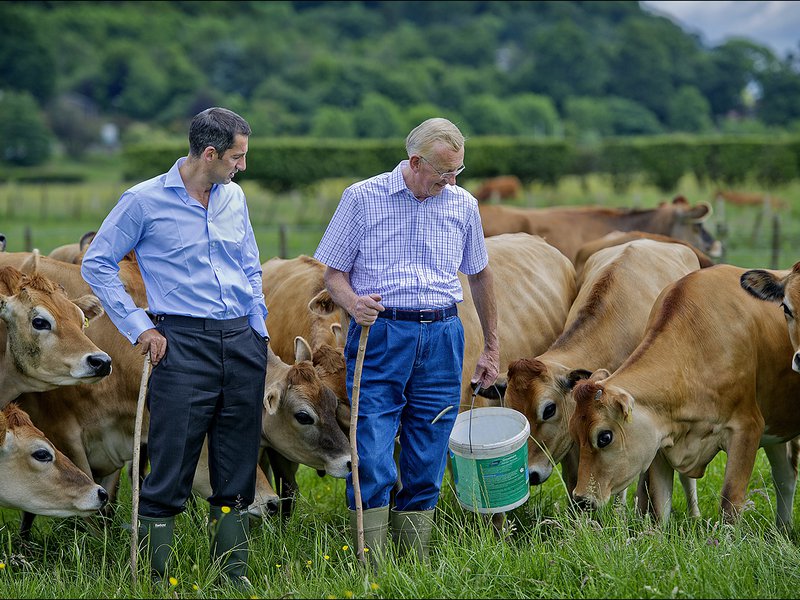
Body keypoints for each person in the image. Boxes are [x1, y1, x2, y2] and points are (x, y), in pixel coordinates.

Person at [81, 107, 269, 588]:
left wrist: (258, 327)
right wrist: (140, 327)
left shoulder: (235, 198)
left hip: (242, 343)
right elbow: (97, 263)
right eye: (237, 156)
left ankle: (232, 576)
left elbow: (249, 264)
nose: (242, 166)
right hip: (180, 344)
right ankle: (154, 578)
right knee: (171, 460)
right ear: (210, 154)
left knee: (237, 462)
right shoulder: (143, 201)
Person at [314, 117, 499, 565]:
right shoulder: (362, 198)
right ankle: (370, 565)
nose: (450, 182)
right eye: (442, 174)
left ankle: (412, 565)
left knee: (430, 446)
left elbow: (479, 274)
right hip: (381, 334)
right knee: (373, 446)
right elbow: (332, 273)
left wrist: (491, 347)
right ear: (415, 161)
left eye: (457, 173)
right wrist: (353, 303)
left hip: (443, 335)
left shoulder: (462, 205)